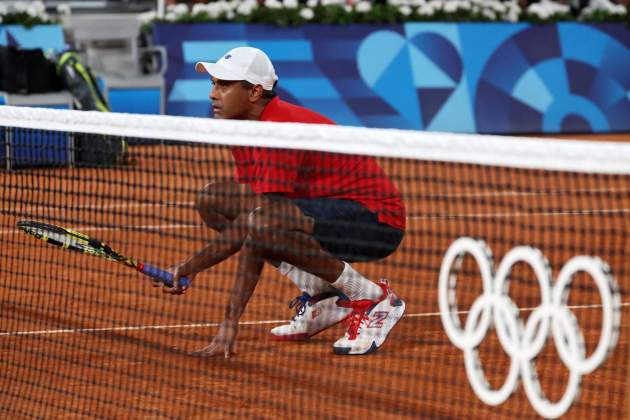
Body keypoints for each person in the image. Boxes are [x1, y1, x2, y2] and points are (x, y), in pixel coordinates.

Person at [163, 46, 406, 357]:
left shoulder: (279, 130)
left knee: (264, 224)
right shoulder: (242, 128)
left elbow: (258, 229)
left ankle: (369, 296)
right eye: (212, 84)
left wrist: (228, 320)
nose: (213, 94)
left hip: (376, 222)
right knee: (214, 200)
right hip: (322, 211)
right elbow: (252, 218)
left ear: (254, 92)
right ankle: (322, 292)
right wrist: (191, 267)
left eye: (223, 85)